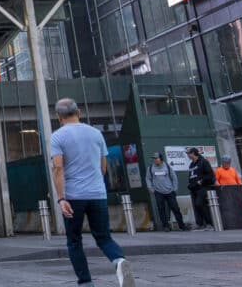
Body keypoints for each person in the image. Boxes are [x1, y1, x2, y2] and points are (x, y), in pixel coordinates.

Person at [50, 98, 134, 287]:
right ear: (78, 112)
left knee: (74, 240)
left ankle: (86, 282)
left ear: (58, 117)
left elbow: (58, 168)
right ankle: (119, 261)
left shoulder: (58, 136)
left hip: (73, 196)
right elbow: (102, 167)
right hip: (97, 194)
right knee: (104, 237)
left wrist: (61, 198)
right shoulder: (96, 134)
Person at [145, 152, 187, 231]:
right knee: (161, 209)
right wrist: (150, 188)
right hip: (158, 192)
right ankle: (166, 226)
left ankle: (182, 226)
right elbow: (148, 179)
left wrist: (175, 188)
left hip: (170, 191)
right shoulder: (150, 168)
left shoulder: (167, 166)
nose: (155, 160)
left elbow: (174, 177)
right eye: (154, 159)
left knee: (175, 208)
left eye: (156, 158)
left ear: (161, 159)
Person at [186, 148, 216, 230]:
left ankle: (209, 224)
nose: (188, 155)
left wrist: (202, 181)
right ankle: (199, 224)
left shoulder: (203, 162)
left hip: (203, 187)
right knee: (196, 206)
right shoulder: (191, 164)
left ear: (193, 153)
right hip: (194, 188)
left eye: (188, 153)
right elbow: (191, 176)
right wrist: (190, 184)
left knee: (200, 204)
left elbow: (210, 175)